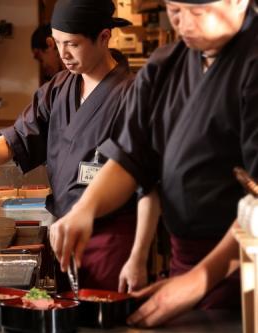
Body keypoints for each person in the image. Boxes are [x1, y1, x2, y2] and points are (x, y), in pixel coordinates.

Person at [50, 0, 258, 326]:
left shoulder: (252, 64)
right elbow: (130, 158)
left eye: (197, 12)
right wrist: (85, 209)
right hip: (183, 260)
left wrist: (201, 279)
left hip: (244, 264)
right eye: (175, 11)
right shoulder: (164, 66)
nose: (183, 25)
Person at [0, 0, 156, 291]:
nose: (63, 54)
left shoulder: (133, 94)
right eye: (58, 43)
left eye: (73, 44)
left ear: (103, 37)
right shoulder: (58, 88)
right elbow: (14, 141)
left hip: (111, 239)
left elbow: (149, 184)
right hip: (62, 234)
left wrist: (139, 255)